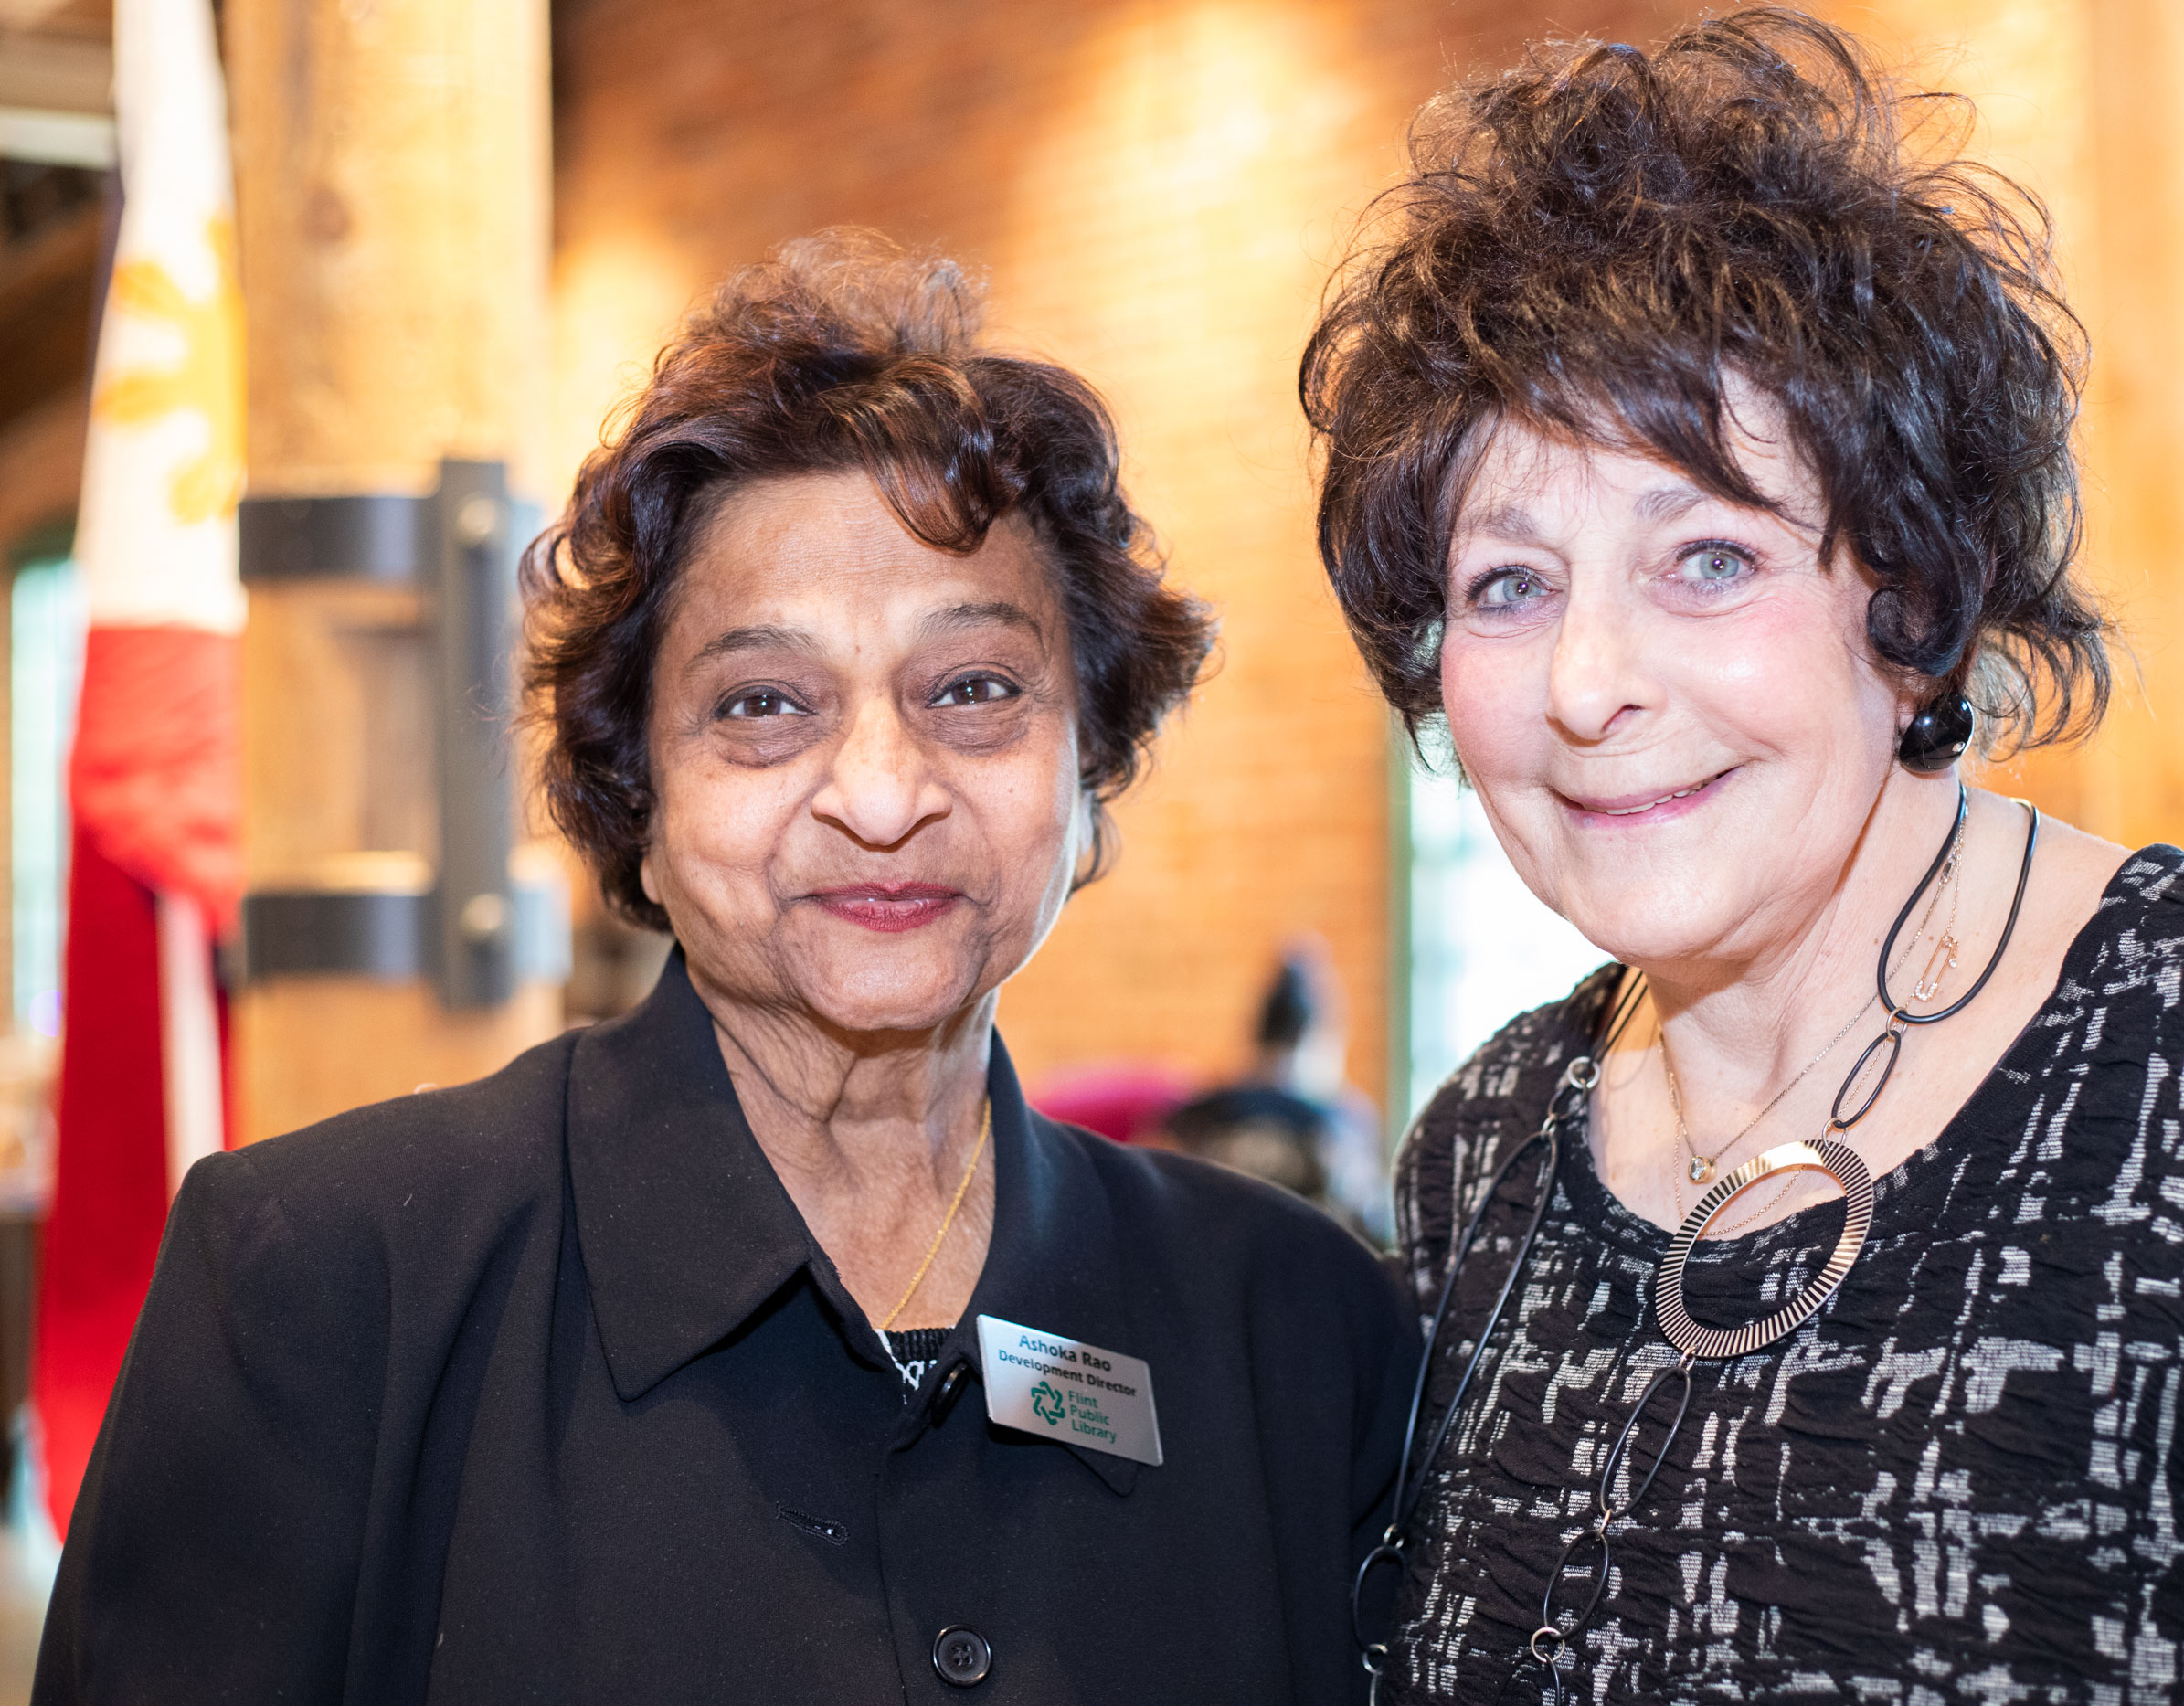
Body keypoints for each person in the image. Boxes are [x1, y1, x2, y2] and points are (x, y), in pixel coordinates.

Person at [1299, 14, 2184, 1703]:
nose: (1588, 684)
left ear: (1912, 588)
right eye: (1508, 586)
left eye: (1707, 558)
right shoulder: (1488, 1154)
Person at [37, 232, 1416, 1703]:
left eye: (972, 688)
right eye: (764, 703)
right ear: (638, 785)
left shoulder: (1301, 1325)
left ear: (1089, 756)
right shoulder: (325, 1282)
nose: (881, 793)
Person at [1161, 946, 1389, 1242]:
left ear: (1256, 1029)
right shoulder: (1340, 1122)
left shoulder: (1196, 1115)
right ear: (1320, 1035)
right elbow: (1370, 1223)